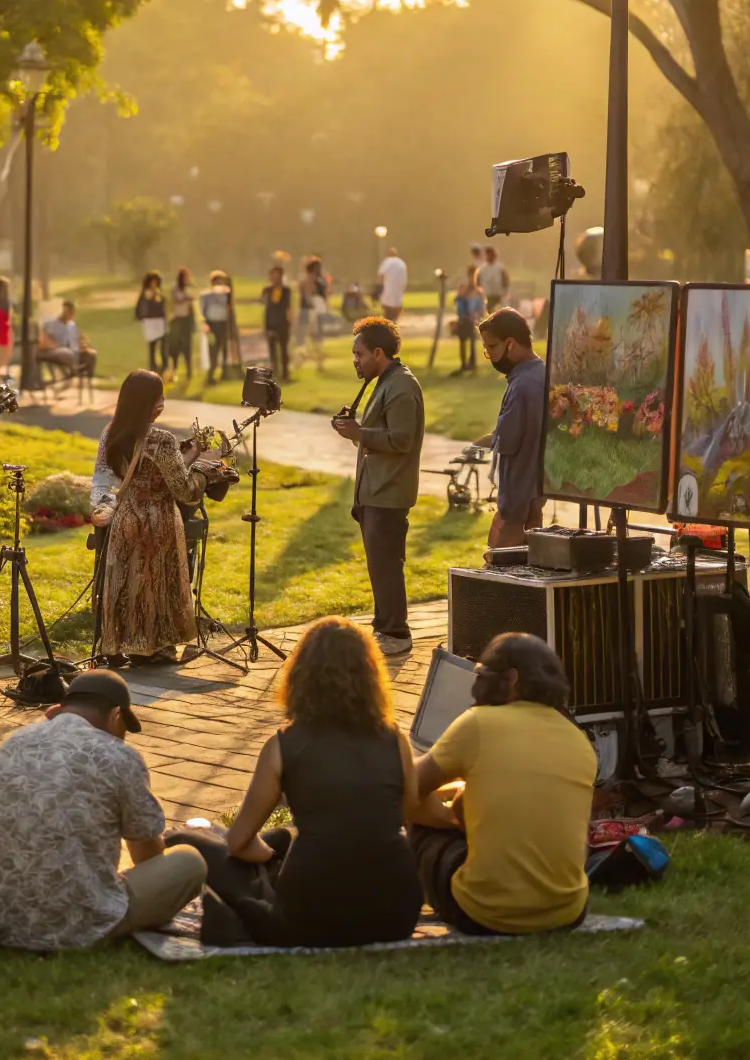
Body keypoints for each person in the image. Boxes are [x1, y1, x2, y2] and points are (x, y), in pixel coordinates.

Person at [168, 617, 423, 947]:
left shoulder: (282, 745)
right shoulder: (395, 740)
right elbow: (407, 813)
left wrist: (268, 860)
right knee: (280, 839)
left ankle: (252, 902)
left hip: (309, 917)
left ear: (301, 677)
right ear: (371, 677)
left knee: (185, 841)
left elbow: (238, 843)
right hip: (397, 915)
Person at [0, 669, 207, 951]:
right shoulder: (119, 756)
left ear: (59, 709)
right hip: (77, 925)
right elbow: (147, 856)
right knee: (189, 861)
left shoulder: (9, 746)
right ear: (116, 715)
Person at [410, 633, 595, 936]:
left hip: (483, 915)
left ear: (511, 679)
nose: (476, 686)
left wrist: (449, 818)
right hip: (568, 912)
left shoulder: (478, 723)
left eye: (482, 674)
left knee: (420, 827)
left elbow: (409, 787)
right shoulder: (579, 741)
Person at [95, 369, 219, 664]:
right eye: (159, 397)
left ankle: (120, 645)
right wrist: (204, 470)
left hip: (125, 517)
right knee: (155, 584)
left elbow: (107, 476)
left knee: (127, 582)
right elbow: (185, 490)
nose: (163, 402)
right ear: (147, 402)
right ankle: (153, 647)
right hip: (157, 520)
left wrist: (187, 457)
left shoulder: (111, 433)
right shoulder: (162, 440)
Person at [331, 317, 424, 656]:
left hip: (389, 492)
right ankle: (384, 627)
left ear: (378, 352)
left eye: (359, 354)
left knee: (386, 565)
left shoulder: (401, 386)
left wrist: (359, 433)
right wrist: (354, 428)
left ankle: (396, 634)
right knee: (379, 564)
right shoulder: (385, 381)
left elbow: (401, 440)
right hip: (376, 490)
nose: (355, 360)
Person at [475, 307, 547, 547]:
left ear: (511, 344)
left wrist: (492, 440)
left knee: (502, 561)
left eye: (492, 347)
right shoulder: (541, 374)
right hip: (533, 499)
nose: (490, 355)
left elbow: (509, 440)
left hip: (518, 505)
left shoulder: (523, 385)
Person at [39, 300, 98, 384]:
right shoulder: (52, 324)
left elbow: (78, 340)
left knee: (91, 354)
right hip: (56, 350)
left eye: (71, 312)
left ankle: (85, 377)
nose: (69, 314)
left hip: (71, 350)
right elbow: (43, 337)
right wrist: (52, 344)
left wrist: (84, 346)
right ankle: (71, 373)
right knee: (67, 353)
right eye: (66, 311)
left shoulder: (72, 325)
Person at [296, 256, 330, 370]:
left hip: (315, 310)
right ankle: (308, 360)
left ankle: (315, 361)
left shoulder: (319, 279)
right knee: (311, 336)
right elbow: (308, 294)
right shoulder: (309, 279)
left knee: (313, 337)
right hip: (310, 310)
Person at [452, 266, 486, 375]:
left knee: (472, 340)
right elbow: (458, 303)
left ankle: (472, 363)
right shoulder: (464, 289)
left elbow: (481, 308)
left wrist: (476, 316)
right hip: (465, 319)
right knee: (463, 340)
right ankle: (464, 364)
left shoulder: (478, 292)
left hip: (472, 320)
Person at [199, 270, 232, 383]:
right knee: (213, 349)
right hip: (212, 323)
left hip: (223, 322)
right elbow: (203, 311)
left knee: (224, 348)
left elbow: (229, 308)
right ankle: (211, 374)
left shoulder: (226, 294)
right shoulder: (206, 295)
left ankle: (225, 372)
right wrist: (206, 324)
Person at [261, 264, 292, 380]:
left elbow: (288, 307)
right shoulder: (267, 290)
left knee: (283, 350)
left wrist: (290, 322)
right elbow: (265, 305)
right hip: (270, 322)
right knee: (272, 351)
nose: (274, 278)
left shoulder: (286, 290)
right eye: (272, 275)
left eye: (277, 275)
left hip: (283, 323)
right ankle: (274, 373)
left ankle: (285, 373)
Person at [134, 271, 168, 374]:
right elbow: (140, 306)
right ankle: (153, 365)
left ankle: (164, 365)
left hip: (159, 320)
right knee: (152, 345)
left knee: (163, 343)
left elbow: (163, 304)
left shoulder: (159, 292)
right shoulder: (146, 293)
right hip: (150, 320)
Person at [168, 267, 196, 379]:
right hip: (177, 319)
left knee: (187, 347)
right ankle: (174, 370)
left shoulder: (189, 287)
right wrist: (187, 297)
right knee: (175, 346)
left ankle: (189, 371)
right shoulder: (175, 288)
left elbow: (192, 300)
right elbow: (177, 299)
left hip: (186, 319)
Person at [377, 246, 408, 322]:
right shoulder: (402, 263)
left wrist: (379, 287)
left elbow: (381, 275)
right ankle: (394, 321)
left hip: (388, 289)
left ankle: (387, 323)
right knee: (396, 308)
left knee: (387, 308)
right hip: (399, 290)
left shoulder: (387, 262)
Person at [475, 245, 509, 312]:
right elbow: (477, 283)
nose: (489, 256)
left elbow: (505, 281)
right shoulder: (481, 269)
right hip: (488, 296)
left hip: (499, 296)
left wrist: (504, 292)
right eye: (487, 255)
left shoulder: (500, 268)